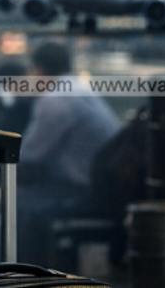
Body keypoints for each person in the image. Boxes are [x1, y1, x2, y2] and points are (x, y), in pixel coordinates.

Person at [16, 41, 121, 265]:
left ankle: (17, 276)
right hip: (106, 188)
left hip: (85, 192)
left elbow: (28, 157)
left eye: (32, 71)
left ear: (40, 70)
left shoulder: (56, 99)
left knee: (16, 205)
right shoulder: (78, 88)